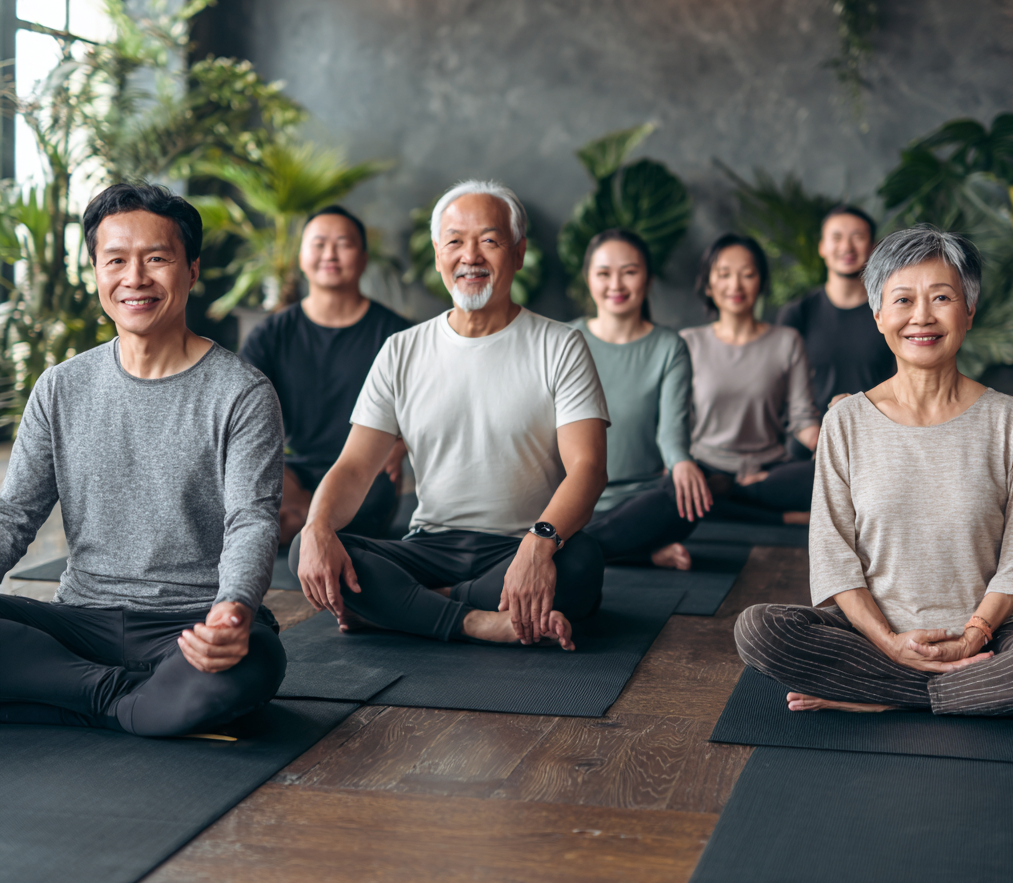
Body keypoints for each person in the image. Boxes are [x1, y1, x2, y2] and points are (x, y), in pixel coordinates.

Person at [0, 183, 286, 736]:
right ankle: (129, 705)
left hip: (189, 625)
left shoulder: (242, 392)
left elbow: (251, 522)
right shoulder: (61, 387)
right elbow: (13, 517)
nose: (135, 278)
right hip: (77, 621)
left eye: (157, 259)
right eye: (116, 261)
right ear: (96, 272)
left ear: (192, 270)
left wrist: (232, 611)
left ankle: (67, 698)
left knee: (255, 661)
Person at [291, 180, 608, 650]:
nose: (471, 256)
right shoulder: (401, 350)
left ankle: (407, 609)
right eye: (456, 241)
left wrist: (539, 545)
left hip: (520, 541)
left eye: (490, 240)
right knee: (308, 544)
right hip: (428, 546)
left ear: (518, 253)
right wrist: (317, 528)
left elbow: (589, 468)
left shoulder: (560, 345)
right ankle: (478, 620)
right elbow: (356, 467)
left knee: (580, 563)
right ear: (438, 253)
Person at [736, 225, 1013, 716]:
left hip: (991, 633)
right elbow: (833, 554)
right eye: (903, 300)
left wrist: (973, 635)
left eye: (941, 297)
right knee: (757, 628)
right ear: (877, 316)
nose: (922, 317)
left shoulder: (1010, 420)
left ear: (969, 310)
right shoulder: (846, 422)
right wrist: (889, 641)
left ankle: (880, 695)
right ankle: (950, 692)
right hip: (875, 633)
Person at [241, 205, 410, 544]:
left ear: (363, 258)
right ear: (302, 257)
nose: (329, 254)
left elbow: (433, 407)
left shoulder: (398, 336)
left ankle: (304, 527)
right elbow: (242, 412)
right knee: (262, 497)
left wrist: (401, 444)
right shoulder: (272, 334)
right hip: (294, 469)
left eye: (343, 244)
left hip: (365, 471)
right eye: (318, 244)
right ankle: (311, 528)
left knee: (329, 517)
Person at [571, 228, 711, 570]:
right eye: (604, 273)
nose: (616, 285)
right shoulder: (564, 340)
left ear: (647, 280)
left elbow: (671, 433)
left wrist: (681, 462)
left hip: (639, 503)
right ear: (588, 279)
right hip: (570, 498)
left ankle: (565, 552)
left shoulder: (669, 347)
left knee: (686, 497)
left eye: (629, 272)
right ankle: (631, 550)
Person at [680, 234, 820, 524]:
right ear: (708, 284)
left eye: (747, 274)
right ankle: (783, 517)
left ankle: (731, 500)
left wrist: (828, 445)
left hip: (770, 471)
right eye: (724, 274)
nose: (736, 285)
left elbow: (802, 418)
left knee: (830, 478)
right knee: (677, 489)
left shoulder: (786, 341)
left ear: (761, 282)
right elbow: (676, 421)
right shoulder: (688, 343)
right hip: (706, 467)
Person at [778, 205, 895, 423]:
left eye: (857, 237)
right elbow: (779, 389)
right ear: (822, 247)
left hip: (878, 433)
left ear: (873, 247)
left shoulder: (892, 311)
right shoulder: (798, 313)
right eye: (837, 237)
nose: (846, 246)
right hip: (811, 437)